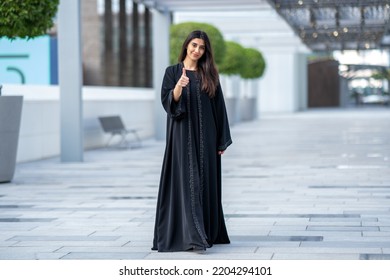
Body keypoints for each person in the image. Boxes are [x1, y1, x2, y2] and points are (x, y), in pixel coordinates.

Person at [152, 30, 232, 252]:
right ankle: (191, 236)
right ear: (186, 45)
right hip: (181, 138)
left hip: (207, 137)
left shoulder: (210, 74)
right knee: (186, 180)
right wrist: (179, 86)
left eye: (202, 47)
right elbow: (168, 104)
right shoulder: (172, 72)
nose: (197, 50)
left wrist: (221, 141)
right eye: (194, 45)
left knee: (204, 180)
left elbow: (219, 110)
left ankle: (204, 231)